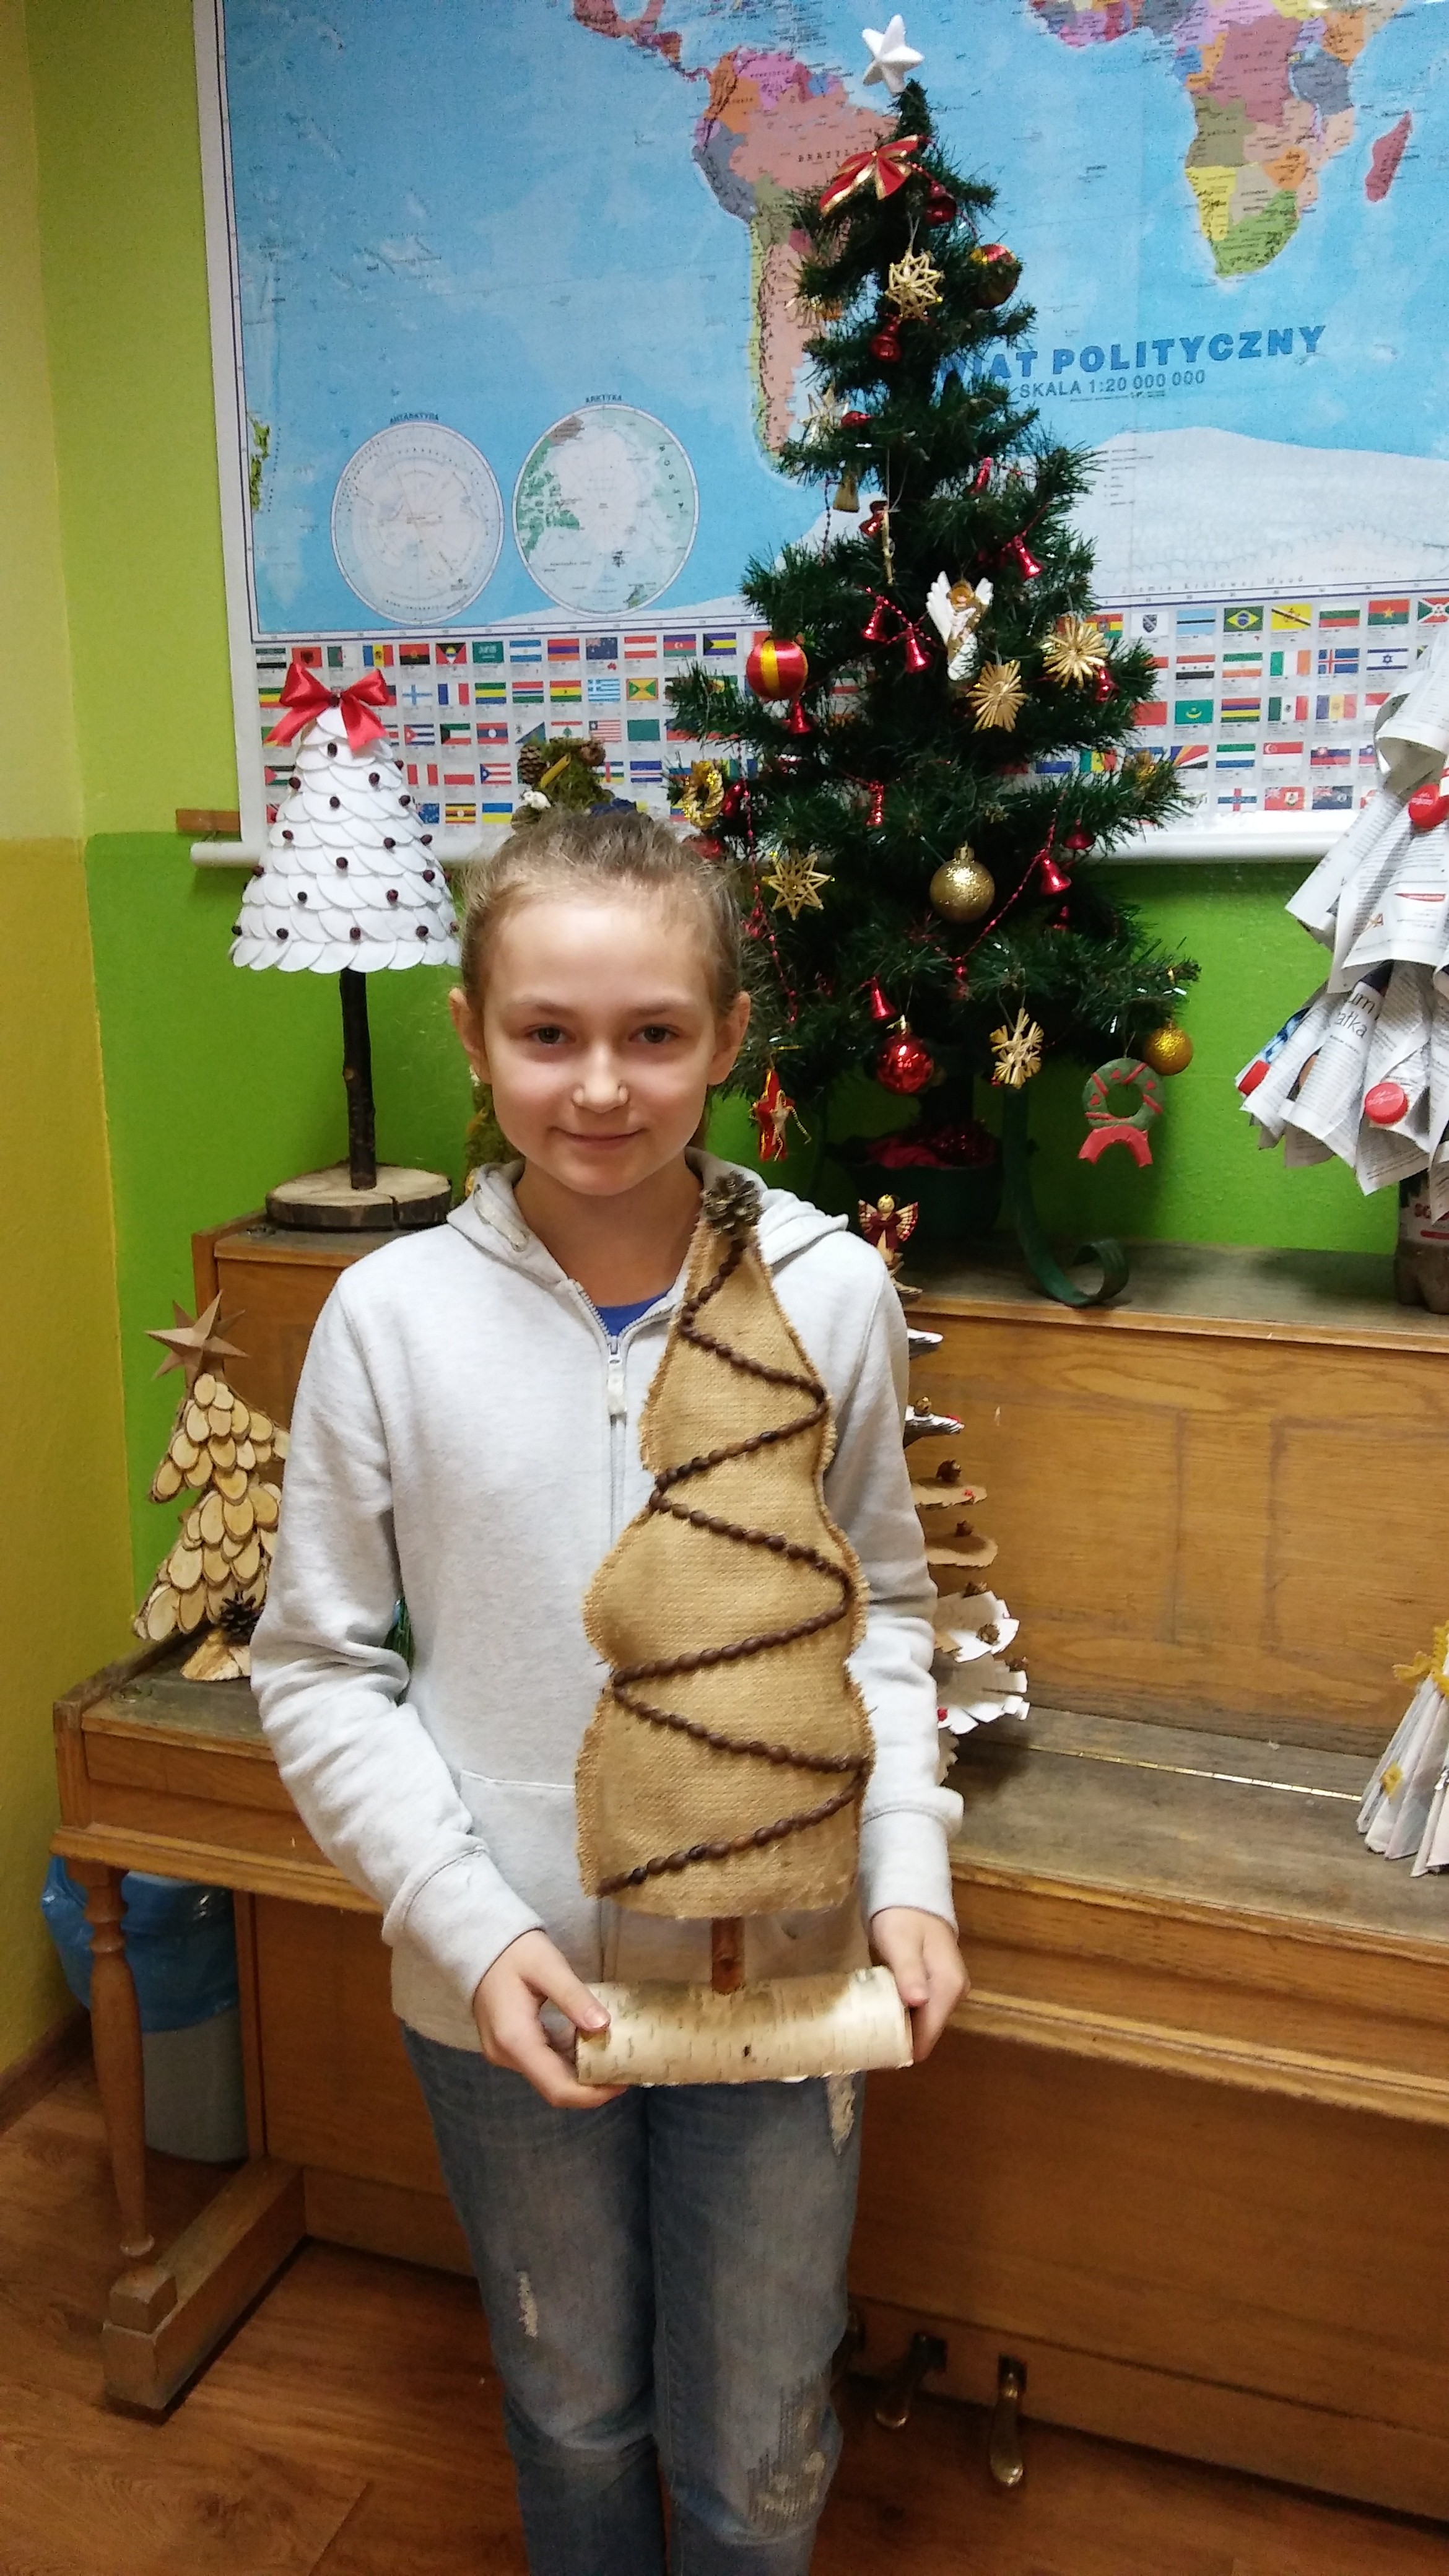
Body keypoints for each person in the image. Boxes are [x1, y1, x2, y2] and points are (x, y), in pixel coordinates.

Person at [251, 808, 967, 2576]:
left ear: (728, 1038)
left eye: (652, 1033)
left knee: (760, 2440)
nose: (598, 1086)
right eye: (547, 1033)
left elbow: (880, 1608)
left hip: (781, 1969)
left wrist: (906, 1866)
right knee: (570, 2404)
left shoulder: (832, 1294)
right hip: (506, 1985)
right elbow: (322, 1665)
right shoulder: (387, 1319)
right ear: (471, 1034)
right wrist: (467, 1923)